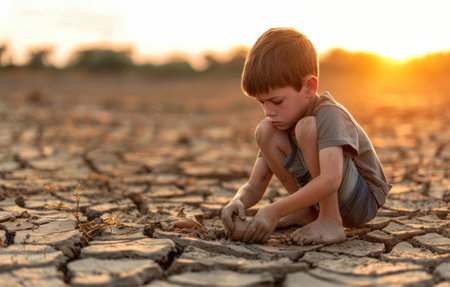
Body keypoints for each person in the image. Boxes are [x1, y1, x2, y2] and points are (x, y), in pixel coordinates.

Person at [221, 27, 391, 245]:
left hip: (361, 200)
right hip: (329, 194)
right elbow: (256, 184)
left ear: (309, 87)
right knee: (264, 131)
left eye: (277, 101)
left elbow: (330, 180)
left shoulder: (329, 113)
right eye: (262, 103)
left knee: (307, 128)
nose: (268, 111)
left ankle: (330, 220)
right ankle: (306, 212)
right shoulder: (279, 122)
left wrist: (275, 210)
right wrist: (238, 201)